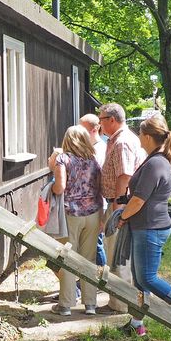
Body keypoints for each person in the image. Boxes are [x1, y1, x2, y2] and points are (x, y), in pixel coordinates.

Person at [116, 114, 171, 336]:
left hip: (150, 228)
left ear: (146, 136)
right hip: (147, 226)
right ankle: (137, 324)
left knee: (147, 277)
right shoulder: (156, 159)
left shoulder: (156, 163)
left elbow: (138, 200)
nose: (139, 139)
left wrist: (122, 216)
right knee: (140, 278)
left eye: (140, 135)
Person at [48, 125, 104, 316]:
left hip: (70, 213)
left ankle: (66, 305)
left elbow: (60, 187)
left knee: (68, 257)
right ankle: (90, 305)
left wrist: (51, 188)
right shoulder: (93, 161)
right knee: (89, 258)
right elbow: (99, 187)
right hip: (93, 213)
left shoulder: (63, 158)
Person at [98, 103, 146, 313]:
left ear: (112, 120)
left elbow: (124, 177)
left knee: (117, 255)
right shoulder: (117, 140)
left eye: (101, 119)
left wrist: (118, 211)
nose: (99, 123)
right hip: (118, 204)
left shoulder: (122, 143)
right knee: (117, 254)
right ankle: (121, 301)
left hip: (119, 205)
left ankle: (120, 304)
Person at [80, 113, 108, 266]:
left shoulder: (99, 151)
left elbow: (96, 180)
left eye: (82, 129)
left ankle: (100, 278)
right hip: (90, 203)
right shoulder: (92, 149)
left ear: (94, 129)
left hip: (97, 203)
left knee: (95, 243)